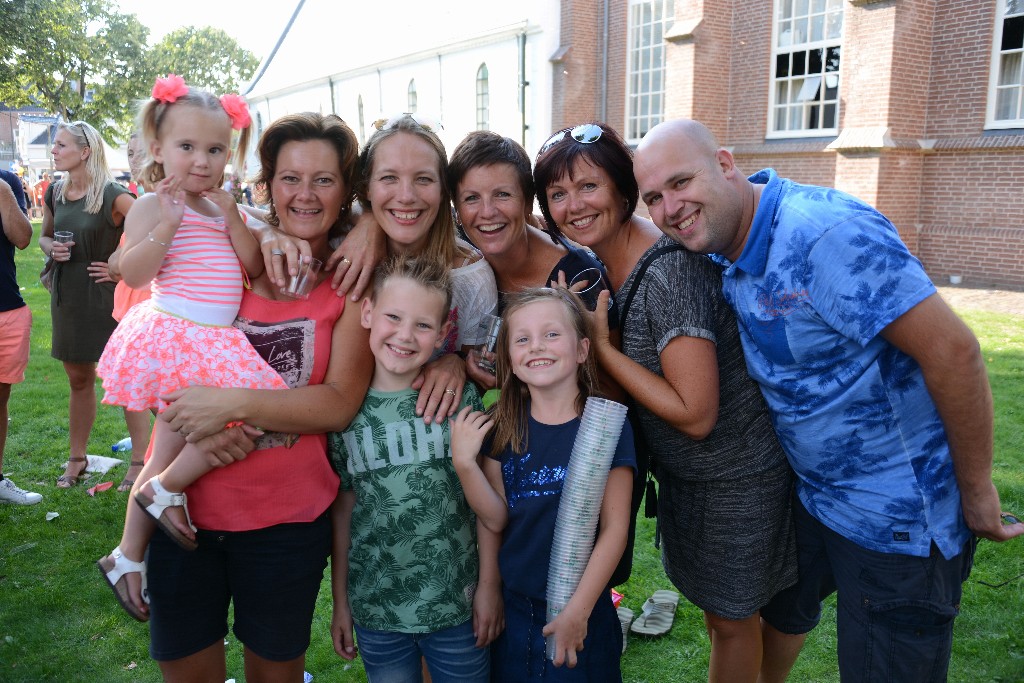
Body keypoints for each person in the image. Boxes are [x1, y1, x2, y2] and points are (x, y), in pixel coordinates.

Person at [633, 118, 1024, 682]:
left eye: (680, 182)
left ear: (724, 163)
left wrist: (978, 490)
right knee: (775, 619)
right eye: (655, 198)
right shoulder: (727, 242)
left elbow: (954, 352)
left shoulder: (822, 236)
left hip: (898, 521)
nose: (671, 207)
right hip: (817, 502)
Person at [103, 110, 373, 680]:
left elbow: (338, 402)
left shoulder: (349, 281)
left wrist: (233, 406)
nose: (304, 194)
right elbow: (171, 374)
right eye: (290, 178)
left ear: (346, 189)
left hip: (285, 524)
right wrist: (138, 532)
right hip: (184, 514)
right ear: (267, 183)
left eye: (324, 179)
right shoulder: (229, 249)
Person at [534, 122, 797, 682]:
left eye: (589, 187)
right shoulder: (614, 266)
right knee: (722, 620)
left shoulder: (668, 270)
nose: (573, 205)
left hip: (735, 477)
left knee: (731, 624)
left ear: (625, 190)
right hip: (695, 484)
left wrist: (602, 348)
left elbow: (695, 413)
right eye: (558, 194)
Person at [451, 287, 636, 681]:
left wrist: (579, 611)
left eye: (552, 334)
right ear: (510, 361)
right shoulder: (502, 426)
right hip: (517, 607)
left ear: (583, 349)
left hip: (583, 607)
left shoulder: (605, 428)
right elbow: (496, 520)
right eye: (522, 339)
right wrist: (465, 465)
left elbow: (615, 528)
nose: (537, 346)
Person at [329, 255, 494, 681]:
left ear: (442, 335)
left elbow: (487, 510)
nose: (404, 335)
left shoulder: (460, 401)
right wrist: (341, 602)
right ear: (367, 313)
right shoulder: (344, 411)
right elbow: (345, 510)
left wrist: (490, 587)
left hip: (457, 605)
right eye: (393, 317)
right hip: (376, 609)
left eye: (422, 325)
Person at [358, 114, 498, 423]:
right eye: (388, 178)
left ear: (443, 190)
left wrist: (456, 361)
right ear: (366, 187)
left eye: (423, 179)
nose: (406, 196)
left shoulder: (471, 275)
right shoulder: (345, 248)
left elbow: (478, 365)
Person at [448, 131, 613, 384]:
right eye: (471, 198)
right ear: (457, 211)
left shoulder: (579, 277)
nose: (487, 212)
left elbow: (609, 391)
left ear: (527, 203)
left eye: (502, 194)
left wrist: (514, 388)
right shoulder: (460, 255)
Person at [39, 120, 135, 488]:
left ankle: (140, 460)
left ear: (85, 151)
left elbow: (152, 225)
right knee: (78, 379)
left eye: (61, 145)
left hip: (106, 297)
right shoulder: (54, 192)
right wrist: (53, 248)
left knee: (126, 381)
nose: (54, 150)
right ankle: (76, 458)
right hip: (69, 295)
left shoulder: (113, 193)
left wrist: (121, 263)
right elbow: (44, 238)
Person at [107, 131, 154, 492]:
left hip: (153, 309)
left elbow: (123, 263)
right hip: (130, 309)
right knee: (134, 393)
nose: (133, 160)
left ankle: (148, 463)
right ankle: (142, 459)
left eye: (139, 153)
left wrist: (118, 263)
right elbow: (115, 262)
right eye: (129, 153)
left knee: (155, 395)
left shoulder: (153, 205)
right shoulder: (141, 203)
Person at [0, 169, 40, 505]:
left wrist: (1, 191)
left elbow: (24, 237)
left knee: (1, 398)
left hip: (6, 307)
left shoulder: (5, 181)